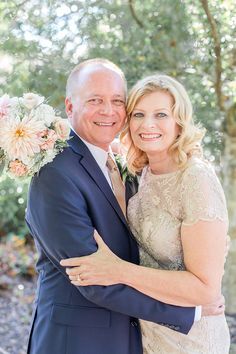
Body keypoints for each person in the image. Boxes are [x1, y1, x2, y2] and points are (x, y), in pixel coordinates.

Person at [26, 59, 205, 354]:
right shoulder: (54, 171)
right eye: (95, 100)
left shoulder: (123, 164)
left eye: (117, 101)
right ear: (69, 107)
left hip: (128, 339)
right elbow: (91, 277)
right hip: (75, 343)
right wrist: (191, 310)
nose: (108, 111)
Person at [61, 73, 230, 353]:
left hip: (190, 339)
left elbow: (205, 290)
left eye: (161, 114)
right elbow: (89, 140)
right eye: (139, 114)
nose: (147, 125)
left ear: (179, 122)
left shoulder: (196, 179)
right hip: (142, 334)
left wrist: (117, 271)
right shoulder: (140, 171)